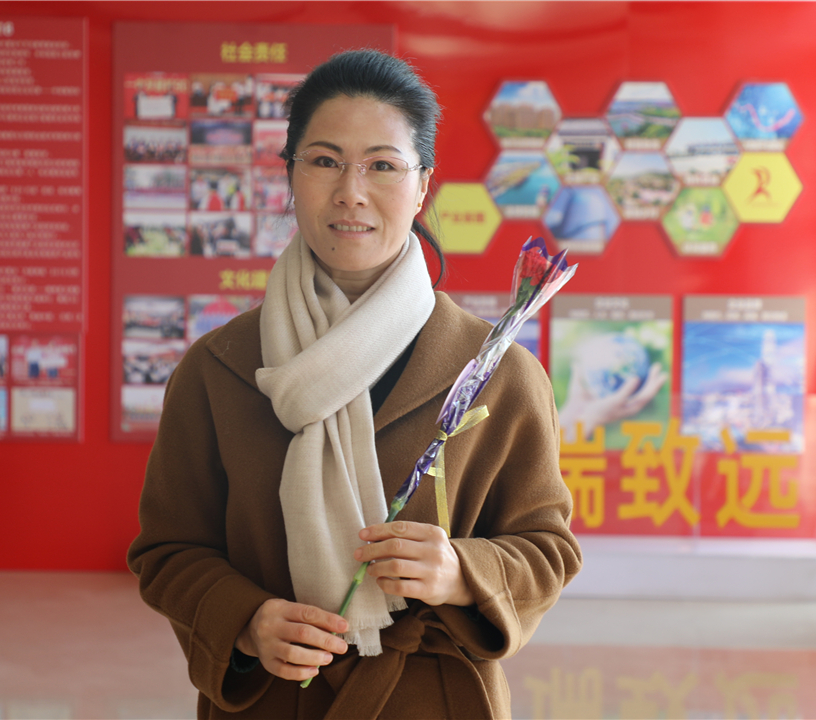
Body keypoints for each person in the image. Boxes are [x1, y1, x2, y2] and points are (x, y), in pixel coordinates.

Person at [128, 49, 581, 719]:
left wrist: (461, 572)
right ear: (290, 174)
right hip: (275, 701)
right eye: (324, 161)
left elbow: (548, 549)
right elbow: (168, 551)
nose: (351, 191)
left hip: (435, 702)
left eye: (383, 165)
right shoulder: (218, 367)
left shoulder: (495, 371)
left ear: (422, 185)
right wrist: (246, 622)